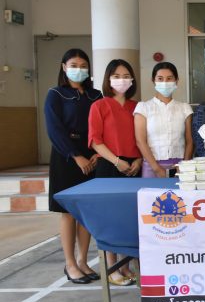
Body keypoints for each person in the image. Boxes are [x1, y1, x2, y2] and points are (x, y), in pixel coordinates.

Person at [44, 48, 102, 284]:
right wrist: (76, 156)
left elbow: (102, 125)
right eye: (74, 65)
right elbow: (54, 130)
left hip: (93, 155)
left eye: (83, 65)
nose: (79, 69)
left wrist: (97, 153)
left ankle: (83, 261)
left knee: (85, 213)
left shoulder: (96, 95)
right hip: (66, 157)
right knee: (68, 213)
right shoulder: (56, 94)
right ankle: (70, 264)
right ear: (64, 67)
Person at [88, 59, 142, 286]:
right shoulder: (99, 106)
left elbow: (142, 138)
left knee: (130, 217)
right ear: (108, 79)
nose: (122, 80)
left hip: (134, 166)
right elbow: (95, 141)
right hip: (110, 165)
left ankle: (126, 266)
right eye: (116, 76)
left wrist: (139, 159)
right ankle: (112, 268)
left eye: (126, 76)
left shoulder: (137, 107)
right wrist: (117, 161)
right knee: (110, 218)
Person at [134, 62, 193, 177]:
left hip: (179, 167)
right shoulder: (143, 107)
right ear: (153, 81)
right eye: (160, 79)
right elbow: (140, 141)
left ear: (176, 81)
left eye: (169, 78)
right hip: (151, 166)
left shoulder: (184, 108)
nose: (165, 82)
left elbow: (189, 141)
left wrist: (184, 166)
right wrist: (156, 168)